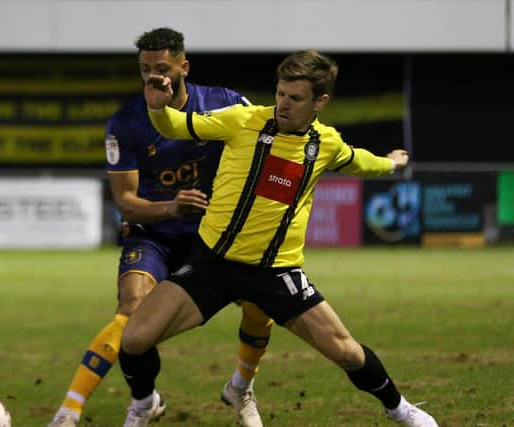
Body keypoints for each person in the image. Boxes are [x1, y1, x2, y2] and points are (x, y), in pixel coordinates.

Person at [118, 49, 439, 427]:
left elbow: (362, 162)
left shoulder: (326, 144)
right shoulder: (243, 120)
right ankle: (145, 402)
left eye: (296, 98)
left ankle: (400, 410)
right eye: (281, 93)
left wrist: (393, 163)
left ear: (320, 102)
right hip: (212, 263)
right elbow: (178, 125)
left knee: (348, 353)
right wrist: (158, 109)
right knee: (134, 339)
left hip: (276, 271)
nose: (283, 104)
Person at [48, 27, 273, 427]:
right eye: (146, 69)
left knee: (262, 303)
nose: (155, 77)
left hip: (215, 234)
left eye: (163, 68)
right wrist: (171, 207)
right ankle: (88, 408)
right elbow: (125, 201)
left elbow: (264, 146)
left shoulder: (224, 103)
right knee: (132, 313)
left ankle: (241, 387)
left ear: (184, 67)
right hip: (155, 233)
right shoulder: (126, 122)